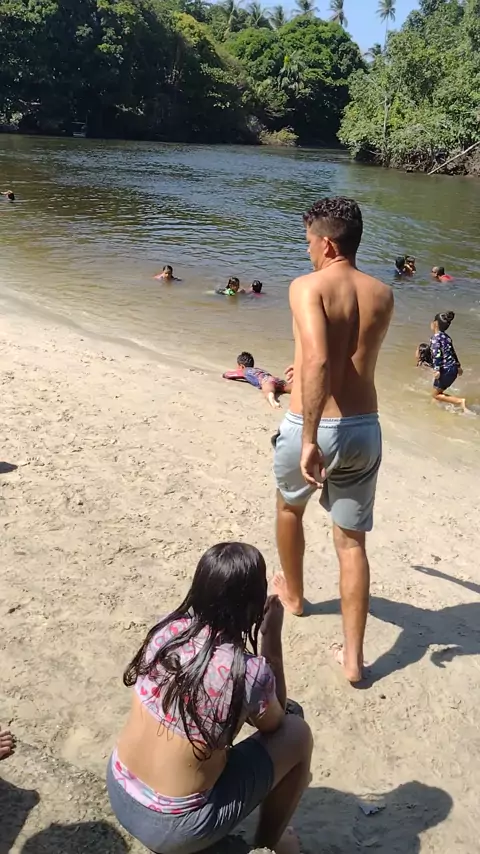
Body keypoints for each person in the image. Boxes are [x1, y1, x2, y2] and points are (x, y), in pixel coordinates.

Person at [107, 542, 312, 854]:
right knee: (297, 732)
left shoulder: (167, 630)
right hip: (171, 828)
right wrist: (271, 636)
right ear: (253, 602)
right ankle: (269, 842)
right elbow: (277, 722)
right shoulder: (247, 671)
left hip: (119, 788)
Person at [273, 197, 393, 684]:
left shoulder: (307, 286)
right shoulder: (383, 293)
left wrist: (308, 438)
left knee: (289, 509)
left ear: (326, 244)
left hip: (316, 425)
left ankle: (295, 596)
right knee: (351, 543)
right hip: (365, 426)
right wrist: (301, 366)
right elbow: (347, 355)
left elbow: (322, 359)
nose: (306, 251)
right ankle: (353, 660)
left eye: (308, 242)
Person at [223, 352, 292, 409]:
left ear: (242, 366)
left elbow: (228, 375)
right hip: (275, 379)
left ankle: (273, 401)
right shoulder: (258, 369)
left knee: (268, 391)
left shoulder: (244, 370)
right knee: (290, 388)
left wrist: (225, 374)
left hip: (266, 381)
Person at [430, 311, 466, 410]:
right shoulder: (447, 338)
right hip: (453, 368)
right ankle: (434, 409)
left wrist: (437, 369)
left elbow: (437, 354)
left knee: (435, 395)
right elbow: (452, 352)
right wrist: (458, 366)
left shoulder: (435, 338)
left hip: (445, 369)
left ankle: (459, 401)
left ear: (435, 323)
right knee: (437, 393)